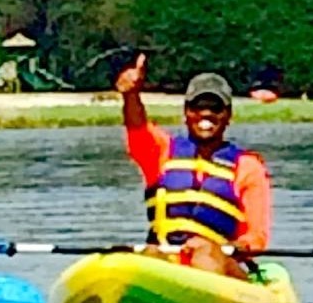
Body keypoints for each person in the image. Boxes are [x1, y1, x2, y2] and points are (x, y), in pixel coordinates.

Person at [116, 54, 272, 280]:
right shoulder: (162, 151)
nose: (206, 114)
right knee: (151, 253)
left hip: (220, 262)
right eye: (198, 107)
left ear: (228, 115)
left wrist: (232, 247)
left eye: (215, 108)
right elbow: (137, 127)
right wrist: (131, 95)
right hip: (166, 256)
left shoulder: (247, 167)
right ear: (186, 113)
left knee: (205, 255)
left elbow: (257, 236)